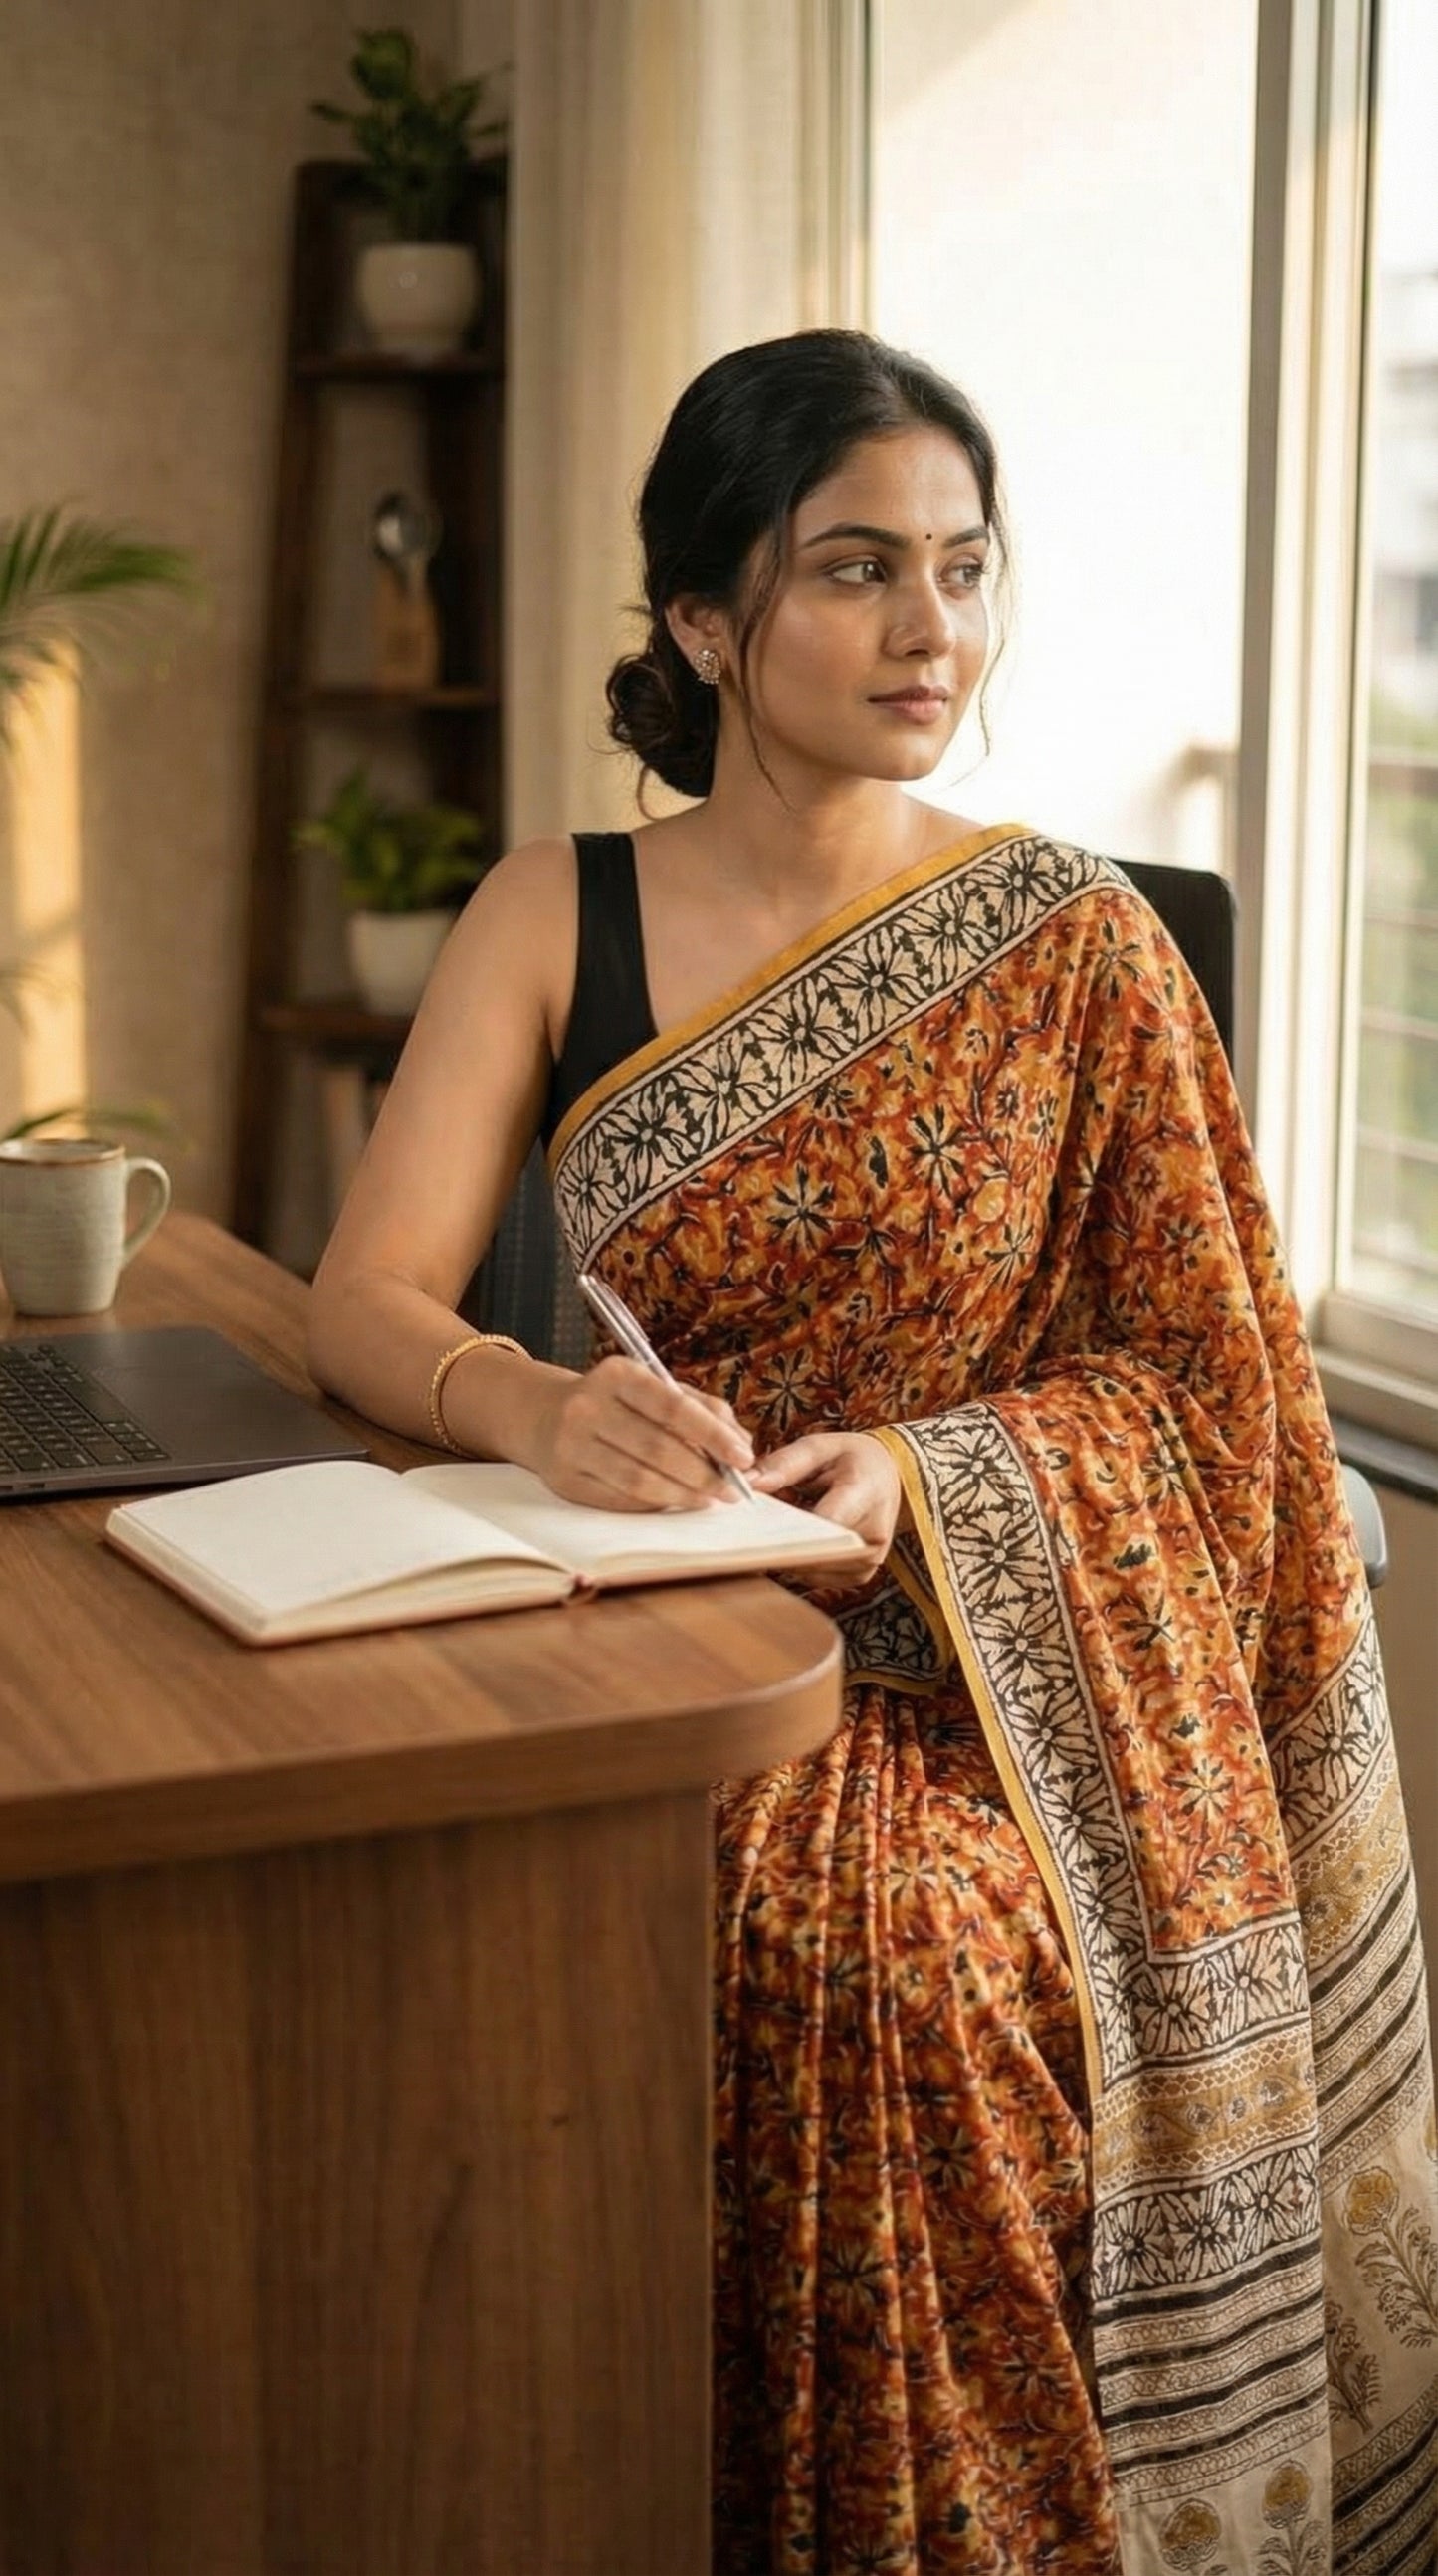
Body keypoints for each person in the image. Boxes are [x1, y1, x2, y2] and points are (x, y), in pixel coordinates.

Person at [308, 329, 1438, 2575]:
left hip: (1017, 1691)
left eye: (962, 567)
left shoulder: (1079, 943)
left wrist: (932, 1479)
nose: (934, 628)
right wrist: (548, 1400)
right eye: (857, 570)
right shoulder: (563, 908)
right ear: (706, 623)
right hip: (659, 1618)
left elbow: (1215, 1400)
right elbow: (366, 1300)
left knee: (889, 1950)